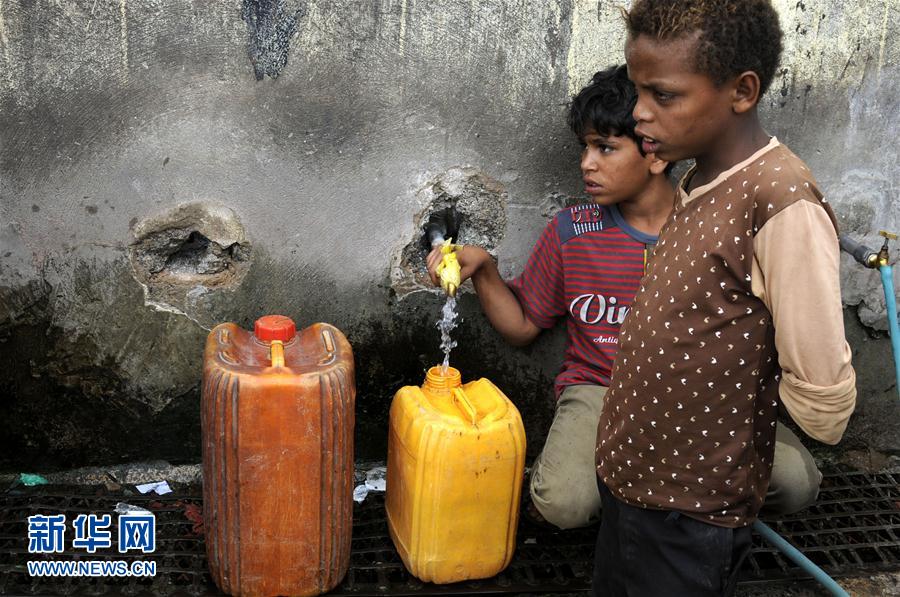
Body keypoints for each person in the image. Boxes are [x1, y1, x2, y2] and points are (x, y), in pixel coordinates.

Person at [593, 2, 857, 595]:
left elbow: (823, 399)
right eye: (638, 91)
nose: (639, 113)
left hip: (689, 516)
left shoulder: (781, 203)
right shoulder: (699, 177)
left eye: (664, 95)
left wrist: (727, 432)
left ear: (741, 92)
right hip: (633, 485)